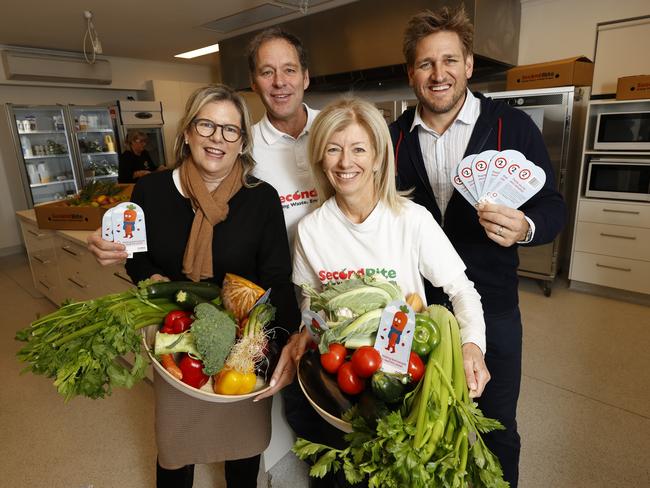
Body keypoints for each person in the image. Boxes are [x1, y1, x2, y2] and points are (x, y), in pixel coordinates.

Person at [87, 84, 300, 488]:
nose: (217, 138)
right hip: (173, 335)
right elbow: (137, 254)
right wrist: (139, 270)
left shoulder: (262, 199)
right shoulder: (151, 190)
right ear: (187, 132)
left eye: (230, 130)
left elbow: (276, 279)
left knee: (242, 446)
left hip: (241, 342)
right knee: (176, 446)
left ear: (242, 143)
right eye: (206, 125)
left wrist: (282, 344)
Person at [388, 7, 567, 486]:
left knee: (498, 429)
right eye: (426, 63)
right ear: (411, 74)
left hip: (494, 308)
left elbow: (553, 206)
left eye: (450, 60)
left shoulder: (513, 128)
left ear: (469, 65)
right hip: (416, 309)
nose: (438, 73)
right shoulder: (393, 139)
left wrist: (526, 225)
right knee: (413, 427)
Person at [288, 98, 489, 404]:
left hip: (406, 370)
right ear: (320, 159)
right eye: (333, 149)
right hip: (342, 375)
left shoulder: (412, 219)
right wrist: (306, 328)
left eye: (358, 149)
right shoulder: (310, 229)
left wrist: (472, 344)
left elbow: (461, 290)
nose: (345, 162)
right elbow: (310, 298)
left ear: (378, 158)